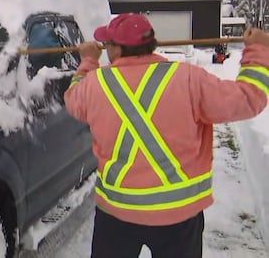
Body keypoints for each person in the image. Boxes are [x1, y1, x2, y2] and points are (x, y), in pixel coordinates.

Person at [64, 13, 269, 258]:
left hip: (117, 213)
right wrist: (258, 51)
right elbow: (249, 98)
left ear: (117, 50)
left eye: (108, 44)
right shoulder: (188, 78)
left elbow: (73, 98)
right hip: (179, 217)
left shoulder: (94, 84)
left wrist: (88, 60)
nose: (105, 49)